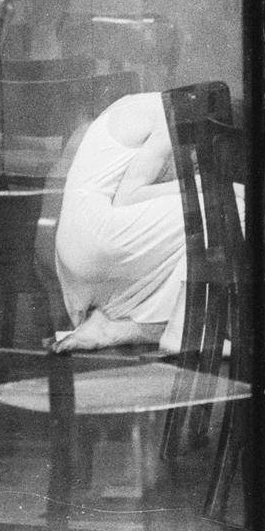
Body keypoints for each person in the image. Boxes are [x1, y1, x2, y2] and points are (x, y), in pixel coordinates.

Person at [52, 90, 187, 353]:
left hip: (74, 251)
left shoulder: (134, 104)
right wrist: (209, 185)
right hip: (97, 241)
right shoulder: (173, 114)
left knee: (206, 208)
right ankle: (181, 329)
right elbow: (129, 197)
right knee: (230, 206)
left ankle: (117, 324)